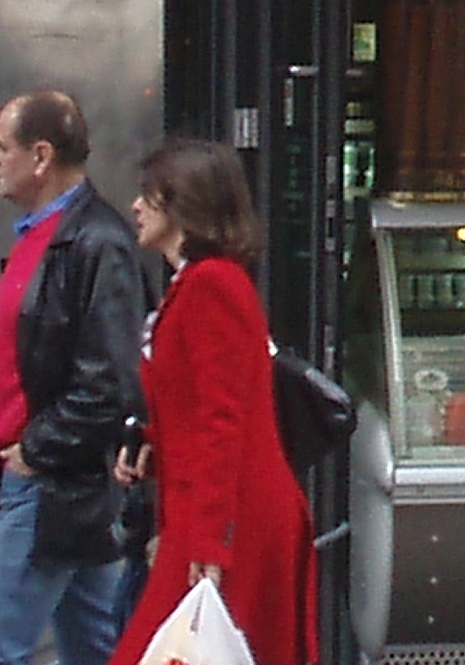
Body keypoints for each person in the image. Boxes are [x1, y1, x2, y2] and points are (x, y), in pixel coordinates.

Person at [107, 139, 316, 665]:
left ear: (182, 203)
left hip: (230, 519)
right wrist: (153, 446)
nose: (136, 206)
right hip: (218, 513)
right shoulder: (199, 283)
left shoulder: (211, 286)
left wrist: (208, 541)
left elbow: (222, 418)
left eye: (148, 195)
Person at [0, 89, 147, 665]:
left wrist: (33, 452)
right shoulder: (43, 236)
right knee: (95, 645)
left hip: (46, 482)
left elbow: (108, 380)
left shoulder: (95, 242)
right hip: (54, 481)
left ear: (40, 156)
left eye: (2, 148)